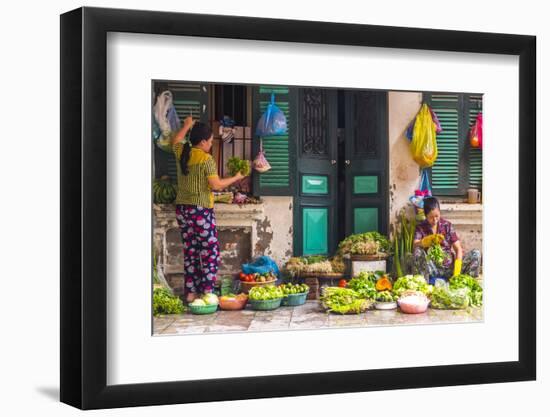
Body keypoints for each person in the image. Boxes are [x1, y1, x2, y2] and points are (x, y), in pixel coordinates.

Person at [171, 117, 247, 303]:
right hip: (200, 211)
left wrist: (186, 126)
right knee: (210, 251)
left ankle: (190, 293)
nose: (211, 144)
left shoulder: (182, 152)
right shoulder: (206, 159)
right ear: (203, 141)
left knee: (191, 251)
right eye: (211, 141)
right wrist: (236, 177)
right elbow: (217, 185)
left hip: (182, 210)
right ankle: (207, 292)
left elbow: (175, 141)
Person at [412, 196, 480, 281]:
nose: (435, 220)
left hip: (450, 268)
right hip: (432, 269)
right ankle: (424, 284)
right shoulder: (421, 227)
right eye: (431, 217)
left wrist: (457, 270)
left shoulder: (447, 225)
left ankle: (463, 282)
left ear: (440, 212)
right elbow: (415, 245)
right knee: (417, 251)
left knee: (476, 253)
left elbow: (458, 249)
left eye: (437, 216)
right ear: (426, 216)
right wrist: (426, 241)